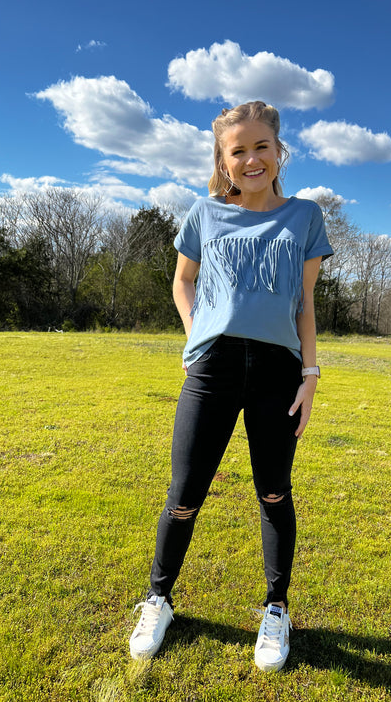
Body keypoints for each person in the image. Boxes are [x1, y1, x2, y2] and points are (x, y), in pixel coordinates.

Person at [129, 100, 333, 671]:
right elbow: (182, 282)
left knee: (273, 493)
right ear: (222, 159)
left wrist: (310, 376)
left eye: (261, 146)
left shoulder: (306, 217)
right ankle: (159, 599)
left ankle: (276, 609)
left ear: (278, 151)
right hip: (212, 369)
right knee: (185, 493)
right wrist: (196, 338)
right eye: (237, 150)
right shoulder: (204, 214)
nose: (251, 159)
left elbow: (306, 305)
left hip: (277, 373)